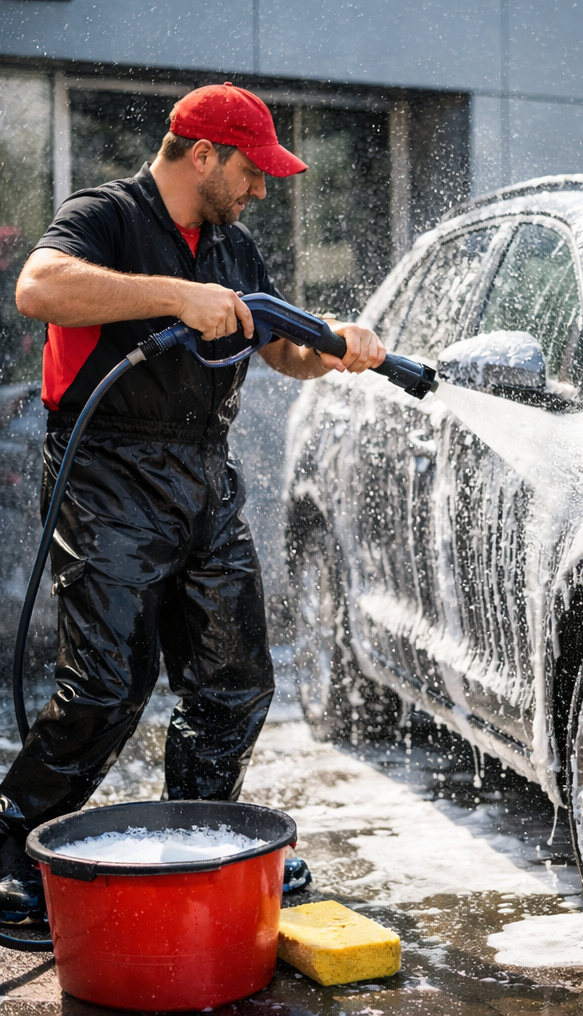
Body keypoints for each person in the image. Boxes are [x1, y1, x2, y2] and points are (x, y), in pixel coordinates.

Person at [3, 83, 386, 923]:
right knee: (106, 687)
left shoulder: (234, 248)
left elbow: (280, 347)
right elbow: (38, 287)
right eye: (253, 172)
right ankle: (11, 852)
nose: (261, 189)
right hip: (107, 474)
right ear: (204, 153)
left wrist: (338, 346)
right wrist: (174, 296)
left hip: (201, 481)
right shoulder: (104, 214)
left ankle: (201, 844)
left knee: (234, 682)